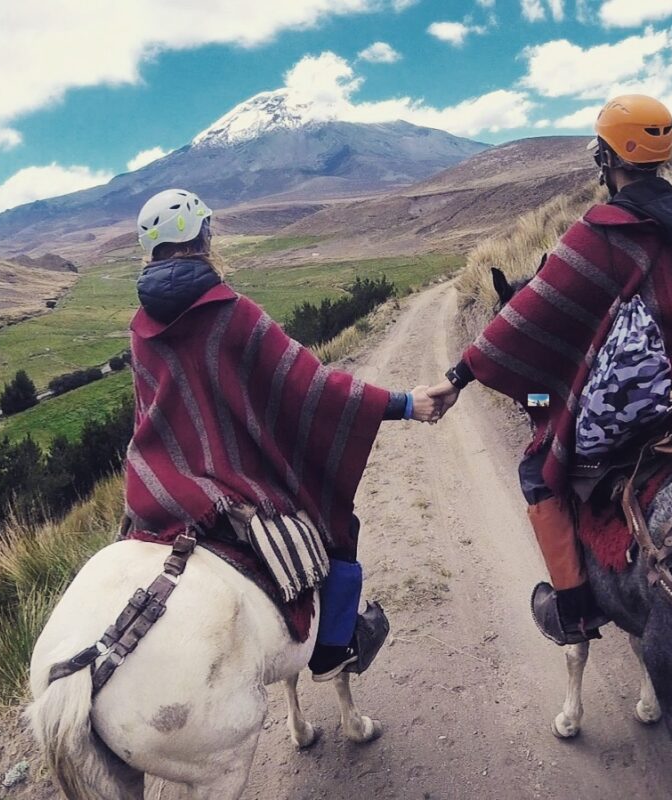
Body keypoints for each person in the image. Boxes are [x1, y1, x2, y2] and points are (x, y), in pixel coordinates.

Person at [427, 95, 672, 646]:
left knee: (535, 472)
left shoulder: (600, 231)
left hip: (641, 415)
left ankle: (574, 606)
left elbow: (529, 314)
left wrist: (457, 378)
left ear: (609, 159)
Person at [124, 188, 439, 679]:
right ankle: (335, 650)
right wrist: (402, 403)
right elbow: (312, 387)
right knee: (337, 529)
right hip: (228, 490)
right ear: (202, 237)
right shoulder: (231, 312)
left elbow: (150, 419)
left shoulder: (139, 328)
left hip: (159, 495)